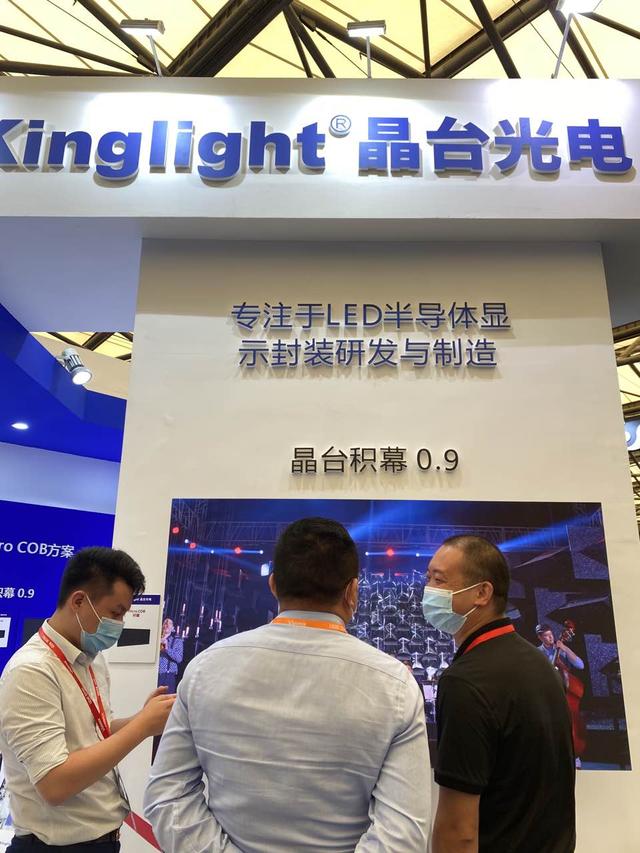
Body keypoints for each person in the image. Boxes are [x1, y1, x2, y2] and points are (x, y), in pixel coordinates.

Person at [145, 517, 431, 853]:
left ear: (274, 584)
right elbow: (402, 834)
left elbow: (167, 796)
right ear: (353, 591)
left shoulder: (204, 668)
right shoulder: (395, 685)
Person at [0, 547, 176, 852]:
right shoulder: (31, 670)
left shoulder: (92, 659)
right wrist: (141, 728)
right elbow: (54, 784)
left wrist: (142, 718)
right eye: (115, 613)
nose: (120, 625)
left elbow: (96, 733)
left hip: (101, 840)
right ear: (79, 601)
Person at [424, 535, 575, 853]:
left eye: (439, 580)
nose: (429, 590)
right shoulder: (540, 664)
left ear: (482, 593)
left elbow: (458, 831)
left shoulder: (466, 681)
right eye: (428, 579)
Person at [158, 618, 184, 694]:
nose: (167, 624)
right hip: (153, 674)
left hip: (168, 676)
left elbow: (179, 658)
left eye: (169, 623)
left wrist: (167, 649)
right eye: (165, 622)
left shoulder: (177, 641)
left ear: (173, 628)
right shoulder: (155, 639)